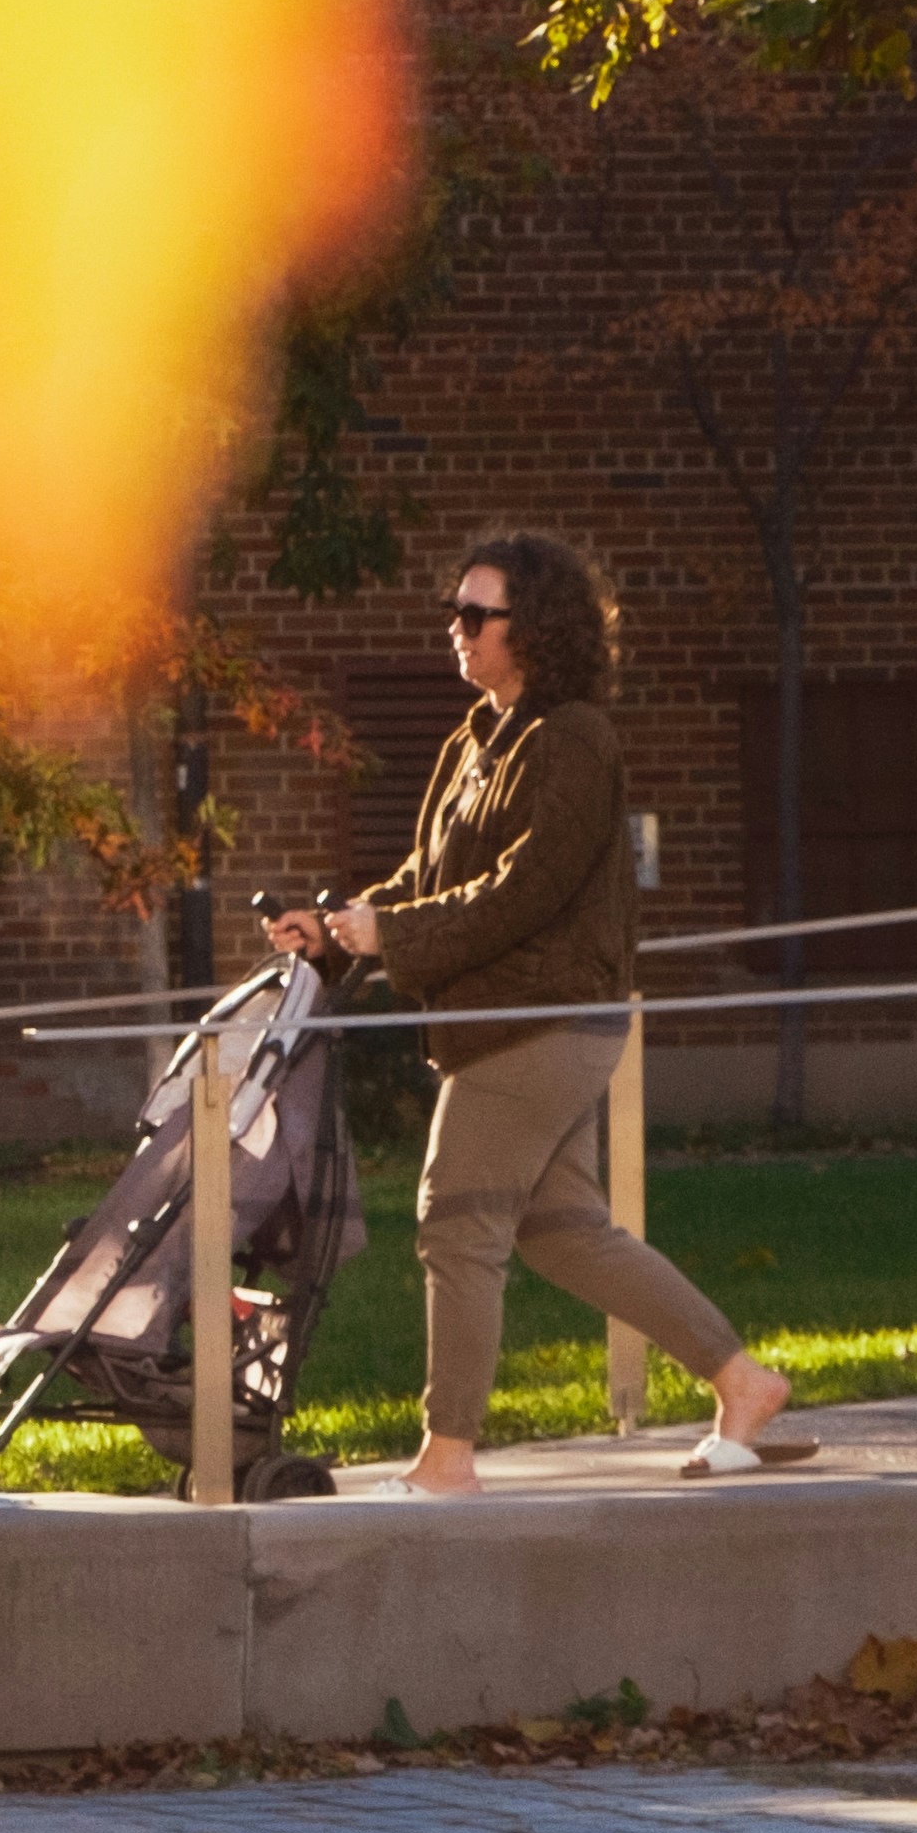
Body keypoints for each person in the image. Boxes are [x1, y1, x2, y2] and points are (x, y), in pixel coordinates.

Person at [271, 532, 808, 1488]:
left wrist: (389, 937)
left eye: (479, 616)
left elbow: (526, 890)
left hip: (542, 1020)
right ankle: (744, 1381)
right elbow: (430, 877)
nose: (458, 630)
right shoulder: (473, 740)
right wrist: (344, 924)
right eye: (456, 612)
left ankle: (448, 1455)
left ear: (537, 629)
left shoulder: (575, 740)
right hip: (507, 1018)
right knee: (565, 1231)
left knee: (455, 1225)